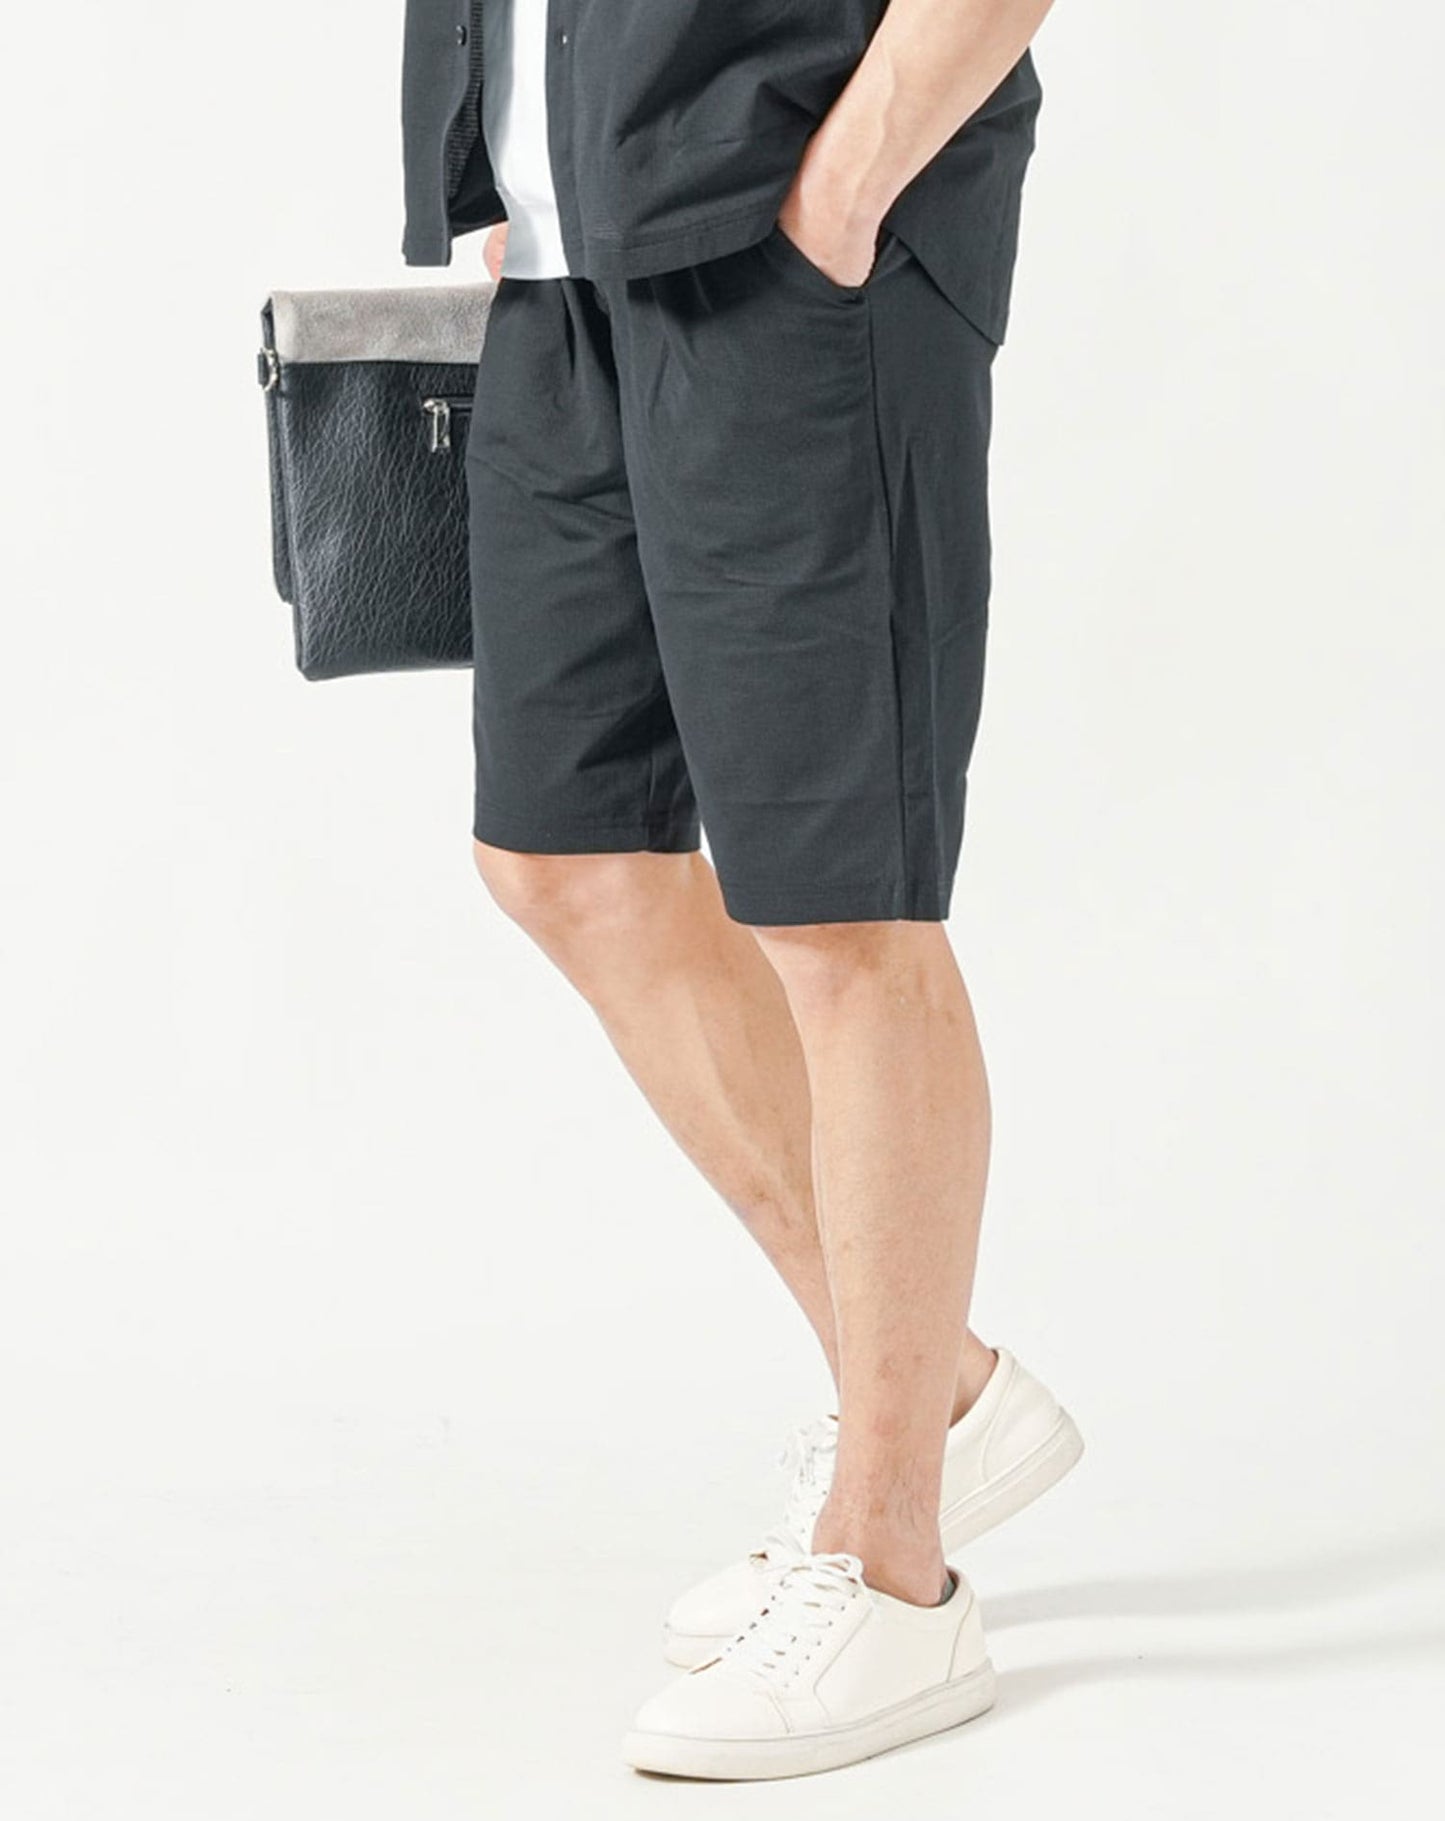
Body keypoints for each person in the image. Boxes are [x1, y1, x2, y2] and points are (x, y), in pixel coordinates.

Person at [400, 0, 1075, 1780]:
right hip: (566, 256)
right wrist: (502, 166)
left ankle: (896, 1564)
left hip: (790, 241)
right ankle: (930, 1394)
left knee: (839, 907)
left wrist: (846, 187)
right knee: (562, 854)